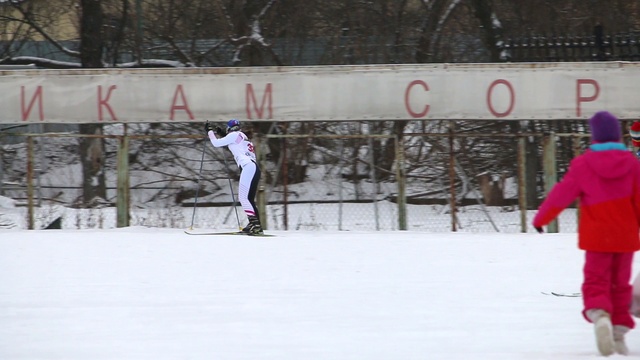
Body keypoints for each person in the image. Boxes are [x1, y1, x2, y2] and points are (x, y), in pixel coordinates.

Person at [532, 110, 640, 356]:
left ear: (595, 137)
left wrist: (542, 219)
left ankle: (599, 313)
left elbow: (561, 194)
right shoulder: (632, 164)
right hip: (625, 237)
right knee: (620, 284)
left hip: (597, 238)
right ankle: (619, 331)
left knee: (596, 280)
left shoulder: (583, 164)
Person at [205, 119, 264, 235]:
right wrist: (221, 134)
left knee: (243, 198)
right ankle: (254, 224)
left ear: (229, 129)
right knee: (249, 199)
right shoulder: (243, 137)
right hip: (254, 168)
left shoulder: (233, 135)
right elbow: (232, 146)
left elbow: (216, 143)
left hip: (247, 167)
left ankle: (255, 225)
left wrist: (209, 132)